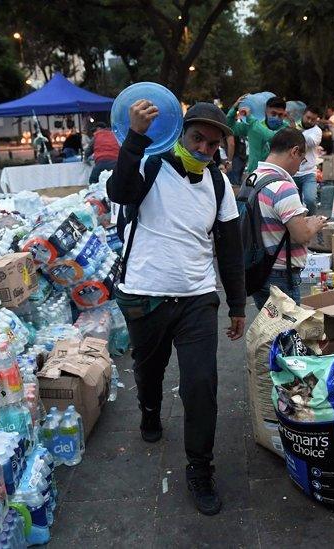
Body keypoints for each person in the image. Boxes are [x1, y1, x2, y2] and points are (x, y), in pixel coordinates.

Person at [107, 100, 246, 517]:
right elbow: (119, 191)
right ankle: (149, 410)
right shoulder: (150, 165)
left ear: (221, 145)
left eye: (211, 142)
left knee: (201, 385)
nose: (203, 147)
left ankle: (200, 470)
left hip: (197, 299)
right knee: (148, 370)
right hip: (145, 295)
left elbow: (231, 249)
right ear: (181, 133)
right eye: (196, 138)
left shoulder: (219, 185)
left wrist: (237, 305)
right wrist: (135, 137)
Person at [247, 128, 327, 307]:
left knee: (269, 330)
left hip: (257, 269)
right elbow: (301, 235)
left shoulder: (252, 178)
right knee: (287, 332)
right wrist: (313, 224)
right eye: (302, 159)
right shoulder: (283, 187)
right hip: (280, 274)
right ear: (294, 152)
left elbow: (268, 221)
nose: (300, 167)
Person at [226, 95, 287, 174]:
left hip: (276, 174)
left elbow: (272, 137)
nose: (276, 117)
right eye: (273, 113)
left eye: (280, 115)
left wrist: (251, 120)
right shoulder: (252, 126)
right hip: (254, 174)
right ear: (265, 112)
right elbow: (230, 126)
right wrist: (234, 108)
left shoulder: (286, 129)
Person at [293, 106, 323, 215]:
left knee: (310, 200)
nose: (310, 121)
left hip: (308, 172)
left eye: (313, 119)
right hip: (292, 173)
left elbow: (311, 142)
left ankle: (313, 222)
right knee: (294, 204)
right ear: (303, 114)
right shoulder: (293, 125)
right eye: (308, 117)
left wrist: (296, 131)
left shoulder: (317, 131)